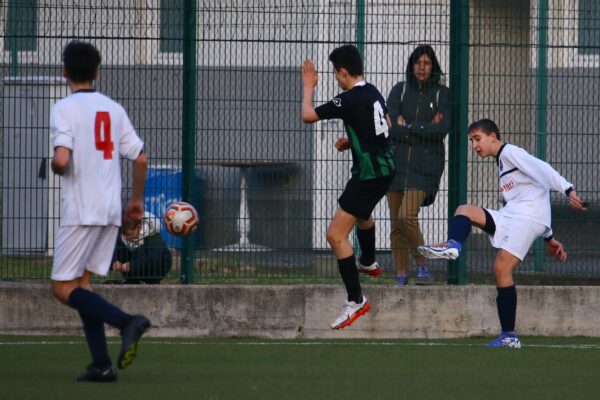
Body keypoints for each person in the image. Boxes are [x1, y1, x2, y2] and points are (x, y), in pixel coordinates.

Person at [418, 119, 587, 348]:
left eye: (478, 139)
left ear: (493, 137)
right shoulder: (502, 161)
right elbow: (535, 191)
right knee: (464, 210)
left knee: (501, 268)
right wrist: (549, 236)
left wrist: (568, 189)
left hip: (526, 218)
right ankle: (453, 245)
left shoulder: (511, 153)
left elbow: (542, 169)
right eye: (472, 141)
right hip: (513, 216)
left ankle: (509, 336)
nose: (475, 145)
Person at [50, 41, 151, 382]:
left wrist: (56, 164)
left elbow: (62, 159)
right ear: (97, 72)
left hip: (81, 211)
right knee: (83, 287)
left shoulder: (64, 108)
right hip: (109, 210)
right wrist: (135, 201)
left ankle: (127, 322)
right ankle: (101, 365)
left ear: (64, 72)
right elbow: (140, 158)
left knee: (63, 288)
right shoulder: (112, 108)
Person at [301, 44, 395, 330]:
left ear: (343, 73)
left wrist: (308, 86)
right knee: (362, 214)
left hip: (368, 175)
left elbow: (307, 115)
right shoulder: (373, 91)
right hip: (385, 170)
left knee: (335, 234)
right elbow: (386, 125)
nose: (335, 79)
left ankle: (356, 300)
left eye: (335, 74)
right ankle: (368, 261)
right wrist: (352, 142)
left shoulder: (349, 99)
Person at [386, 45, 450, 286]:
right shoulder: (399, 91)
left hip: (424, 169)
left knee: (406, 216)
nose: (421, 68)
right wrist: (423, 127)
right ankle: (401, 274)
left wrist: (409, 126)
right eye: (417, 63)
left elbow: (441, 130)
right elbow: (390, 125)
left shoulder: (442, 94)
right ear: (411, 66)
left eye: (426, 63)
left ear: (433, 66)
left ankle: (422, 265)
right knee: (396, 226)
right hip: (396, 166)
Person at [111, 211, 172, 284]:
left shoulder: (153, 236)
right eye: (123, 234)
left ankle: (150, 282)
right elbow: (114, 251)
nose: (125, 238)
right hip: (135, 268)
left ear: (139, 228)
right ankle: (132, 280)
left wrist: (130, 266)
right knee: (122, 246)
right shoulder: (124, 235)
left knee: (150, 255)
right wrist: (115, 262)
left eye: (128, 234)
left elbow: (153, 259)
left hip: (155, 271)